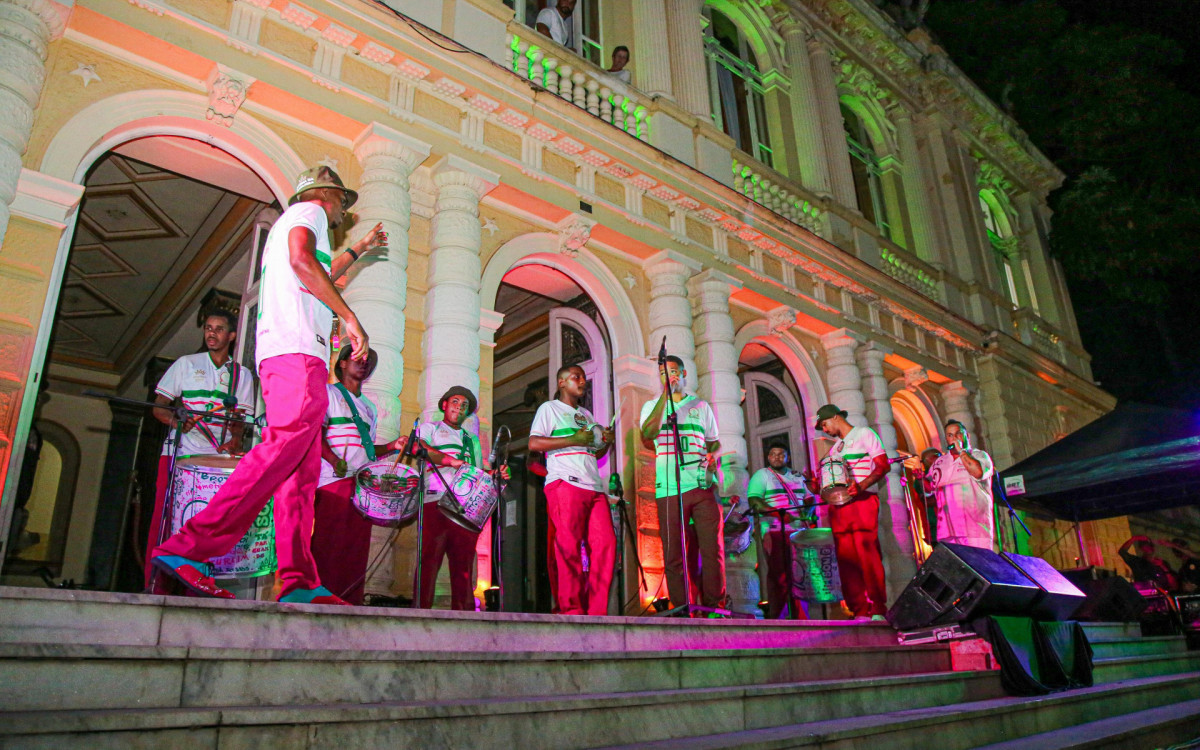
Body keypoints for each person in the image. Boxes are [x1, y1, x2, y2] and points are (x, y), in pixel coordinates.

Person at [151, 165, 386, 604]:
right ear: (327, 196)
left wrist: (359, 249)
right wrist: (350, 317)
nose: (341, 214)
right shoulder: (311, 213)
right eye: (342, 204)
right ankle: (189, 546)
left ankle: (298, 581)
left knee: (300, 472)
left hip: (294, 352)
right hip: (296, 350)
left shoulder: (297, 226)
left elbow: (316, 269)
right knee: (284, 447)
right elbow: (303, 262)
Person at [144, 309, 254, 594]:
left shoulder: (242, 376)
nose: (211, 333)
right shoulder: (186, 364)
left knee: (208, 523)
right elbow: (159, 407)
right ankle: (156, 587)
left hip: (215, 461)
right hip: (179, 454)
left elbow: (239, 420)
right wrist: (177, 420)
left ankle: (199, 588)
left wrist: (236, 440)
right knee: (167, 519)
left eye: (219, 329)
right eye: (208, 328)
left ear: (231, 336)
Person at [310, 345, 408, 605]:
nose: (363, 363)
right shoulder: (328, 393)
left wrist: (392, 447)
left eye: (367, 361)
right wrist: (332, 459)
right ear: (341, 363)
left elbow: (368, 450)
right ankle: (321, 598)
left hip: (360, 485)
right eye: (357, 359)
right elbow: (315, 434)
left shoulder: (368, 408)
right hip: (332, 480)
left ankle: (350, 603)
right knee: (328, 543)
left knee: (356, 548)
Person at [639, 355, 725, 613]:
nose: (670, 377)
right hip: (668, 487)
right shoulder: (652, 406)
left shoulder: (700, 405)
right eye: (664, 374)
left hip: (701, 485)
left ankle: (714, 605)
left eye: (674, 372)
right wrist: (665, 398)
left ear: (684, 373)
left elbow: (713, 442)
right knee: (674, 552)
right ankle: (683, 606)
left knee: (712, 548)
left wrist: (712, 460)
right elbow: (648, 433)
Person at [529, 364, 615, 615]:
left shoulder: (587, 415)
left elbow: (592, 453)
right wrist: (573, 439)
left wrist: (605, 444)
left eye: (583, 377)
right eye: (576, 377)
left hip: (593, 486)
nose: (582, 381)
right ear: (562, 383)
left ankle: (597, 610)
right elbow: (534, 443)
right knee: (568, 547)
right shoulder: (549, 408)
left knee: (606, 544)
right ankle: (571, 609)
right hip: (565, 483)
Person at [416, 386, 506, 611]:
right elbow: (420, 448)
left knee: (464, 565)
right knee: (429, 559)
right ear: (444, 404)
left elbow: (475, 472)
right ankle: (419, 612)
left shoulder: (471, 440)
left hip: (463, 507)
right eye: (455, 402)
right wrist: (450, 461)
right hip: (434, 500)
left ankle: (464, 614)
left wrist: (494, 475)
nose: (460, 407)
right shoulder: (430, 428)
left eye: (464, 405)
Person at [804, 404, 889, 620]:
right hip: (840, 504)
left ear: (834, 417)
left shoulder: (864, 433)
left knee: (866, 551)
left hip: (862, 498)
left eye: (825, 424)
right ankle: (859, 608)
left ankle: (878, 607)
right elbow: (825, 484)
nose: (824, 429)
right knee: (845, 557)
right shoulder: (836, 448)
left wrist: (861, 485)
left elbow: (882, 466)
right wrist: (812, 484)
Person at [747, 443, 814, 619]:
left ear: (788, 458)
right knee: (779, 573)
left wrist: (808, 512)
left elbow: (809, 498)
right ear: (768, 458)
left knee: (799, 573)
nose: (776, 457)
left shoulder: (796, 476)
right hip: (775, 530)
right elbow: (754, 500)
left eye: (781, 454)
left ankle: (799, 615)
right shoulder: (762, 475)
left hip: (798, 531)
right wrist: (779, 514)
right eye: (773, 454)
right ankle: (779, 615)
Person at [926, 420, 995, 551]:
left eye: (958, 433)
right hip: (947, 533)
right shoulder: (939, 463)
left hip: (975, 530)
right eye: (950, 435)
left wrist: (961, 452)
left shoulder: (979, 455)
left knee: (977, 569)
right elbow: (929, 492)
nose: (954, 438)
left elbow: (978, 472)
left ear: (967, 436)